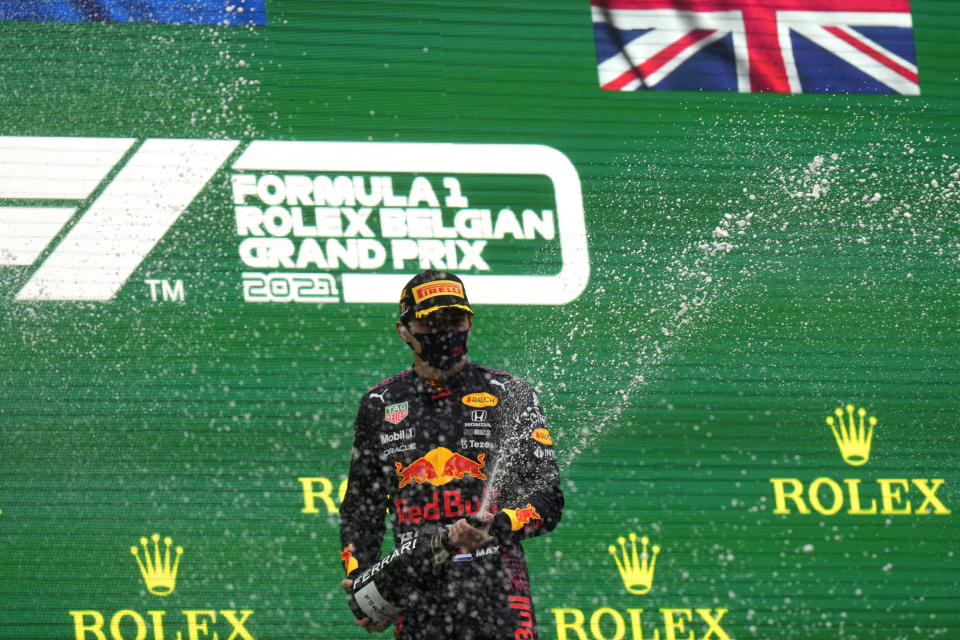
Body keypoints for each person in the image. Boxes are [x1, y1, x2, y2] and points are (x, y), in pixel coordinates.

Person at [339, 270, 563, 639]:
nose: (444, 331)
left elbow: (548, 500)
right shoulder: (381, 404)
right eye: (430, 323)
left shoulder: (508, 393)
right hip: (417, 592)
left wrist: (499, 524)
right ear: (404, 330)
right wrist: (362, 578)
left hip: (498, 589)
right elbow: (361, 508)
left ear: (469, 323)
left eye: (453, 320)